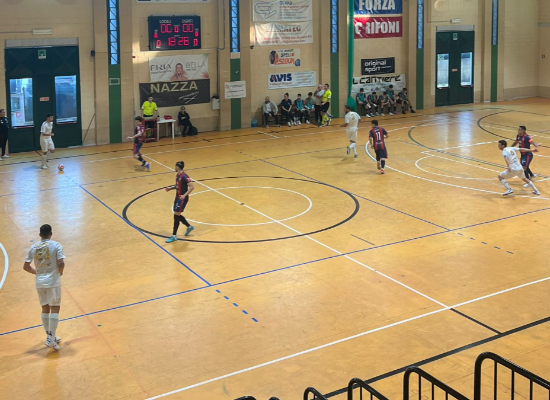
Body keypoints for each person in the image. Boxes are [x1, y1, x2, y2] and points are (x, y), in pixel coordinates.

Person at [23, 224, 66, 351]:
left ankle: (49, 337)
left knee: (45, 308)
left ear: (40, 235)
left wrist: (37, 273)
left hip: (40, 282)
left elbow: (26, 267)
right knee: (55, 308)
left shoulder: (33, 247)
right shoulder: (56, 245)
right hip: (53, 282)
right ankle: (51, 340)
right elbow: (61, 262)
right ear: (51, 234)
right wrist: (61, 271)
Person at [165, 161, 195, 243]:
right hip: (177, 197)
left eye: (175, 166)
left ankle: (174, 236)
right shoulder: (177, 175)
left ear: (177, 167)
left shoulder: (185, 176)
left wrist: (184, 195)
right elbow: (177, 186)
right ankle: (189, 227)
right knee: (176, 215)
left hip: (182, 198)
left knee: (176, 216)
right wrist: (170, 188)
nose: (174, 168)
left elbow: (192, 187)